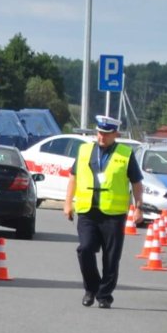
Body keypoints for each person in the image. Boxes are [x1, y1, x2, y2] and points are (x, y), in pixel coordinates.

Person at [63, 115, 143, 309]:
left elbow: (136, 183)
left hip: (113, 214)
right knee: (85, 249)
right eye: (99, 133)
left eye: (107, 134)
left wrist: (138, 208)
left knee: (111, 256)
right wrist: (67, 203)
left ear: (115, 134)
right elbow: (73, 178)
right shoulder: (84, 151)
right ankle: (91, 288)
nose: (102, 137)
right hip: (88, 210)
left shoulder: (125, 154)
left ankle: (104, 295)